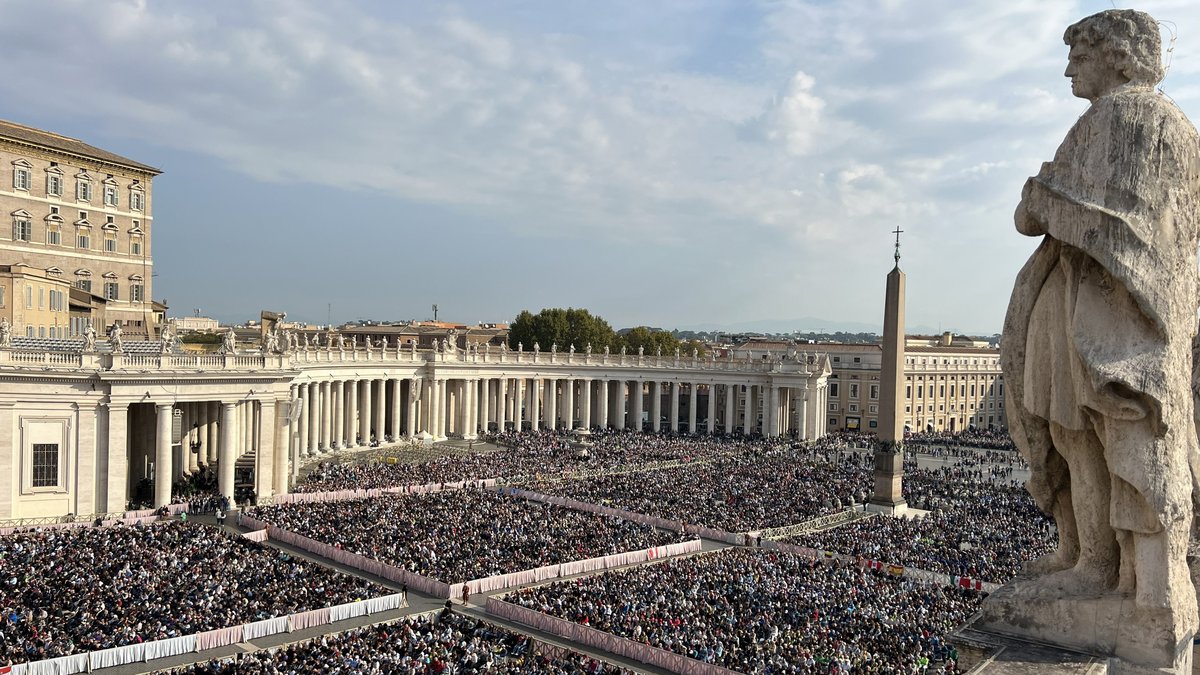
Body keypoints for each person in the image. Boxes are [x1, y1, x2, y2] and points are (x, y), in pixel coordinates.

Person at [1002, 9, 1200, 617]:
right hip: (1100, 306)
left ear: (1117, 55)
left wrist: (1042, 196)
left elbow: (1045, 215)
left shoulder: (1117, 120)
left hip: (1101, 312)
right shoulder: (1178, 127)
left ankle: (1103, 567)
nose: (1068, 68)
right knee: (1081, 431)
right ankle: (1110, 566)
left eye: (1078, 55)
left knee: (1091, 432)